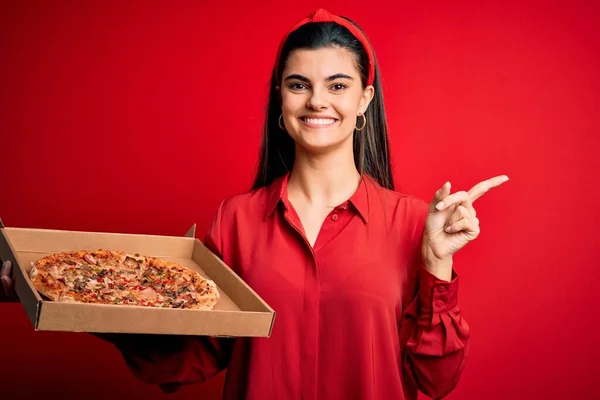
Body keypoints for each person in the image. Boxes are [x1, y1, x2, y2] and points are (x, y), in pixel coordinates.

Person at [1, 8, 509, 400]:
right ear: (280, 101)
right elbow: (190, 359)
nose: (316, 102)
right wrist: (77, 304)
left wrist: (438, 261)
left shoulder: (416, 224)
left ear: (364, 102)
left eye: (337, 86)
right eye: (298, 85)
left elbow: (436, 380)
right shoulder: (236, 219)